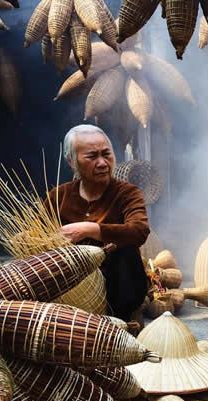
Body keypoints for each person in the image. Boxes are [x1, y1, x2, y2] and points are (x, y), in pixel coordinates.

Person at [44, 124, 150, 321]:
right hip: (71, 292)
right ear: (71, 162)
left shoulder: (127, 193)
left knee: (125, 252)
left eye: (106, 154)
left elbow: (140, 230)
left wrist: (89, 229)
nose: (102, 163)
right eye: (92, 157)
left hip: (118, 291)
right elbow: (39, 235)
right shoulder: (58, 196)